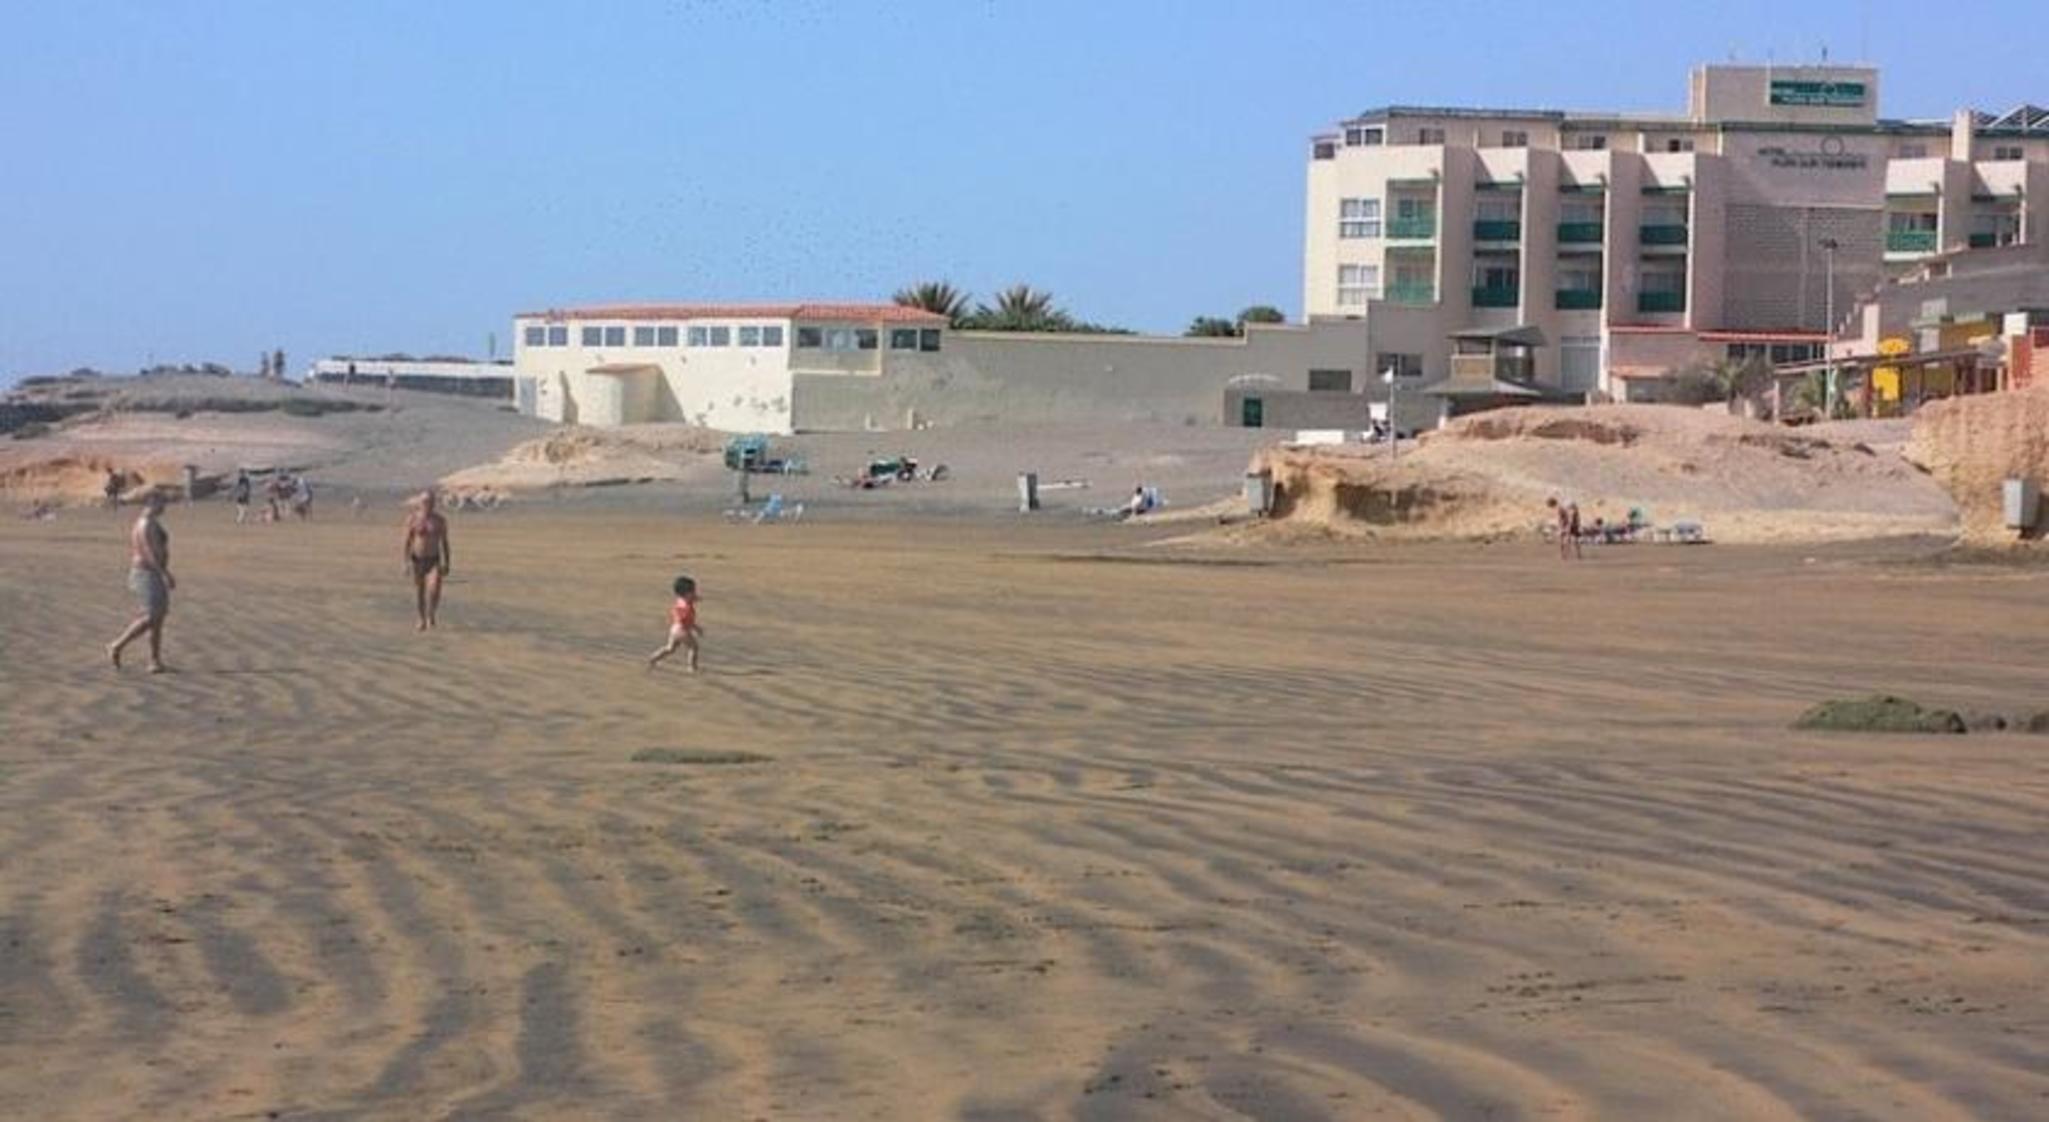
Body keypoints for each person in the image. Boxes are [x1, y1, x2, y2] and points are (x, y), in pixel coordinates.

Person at [107, 491, 174, 673]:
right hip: (146, 573)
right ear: (152, 503)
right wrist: (164, 573)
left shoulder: (152, 522)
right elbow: (147, 552)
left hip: (152, 573)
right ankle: (117, 645)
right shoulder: (144, 524)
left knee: (158, 618)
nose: (164, 508)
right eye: (162, 503)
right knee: (150, 616)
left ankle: (154, 661)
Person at [401, 491, 451, 630]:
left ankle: (431, 614)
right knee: (420, 591)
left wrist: (447, 562)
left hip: (434, 559)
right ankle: (421, 618)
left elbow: (445, 542)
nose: (428, 504)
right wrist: (405, 562)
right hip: (417, 559)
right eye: (425, 502)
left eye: (431, 502)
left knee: (434, 588)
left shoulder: (440, 520)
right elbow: (407, 541)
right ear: (420, 503)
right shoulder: (413, 519)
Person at [647, 575, 703, 674]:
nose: (695, 593)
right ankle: (692, 668)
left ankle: (653, 658)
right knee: (694, 647)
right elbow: (686, 620)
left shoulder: (681, 600)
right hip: (683, 630)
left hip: (674, 629)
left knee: (670, 648)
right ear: (687, 594)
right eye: (693, 591)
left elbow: (686, 604)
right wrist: (696, 628)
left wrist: (695, 599)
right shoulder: (686, 606)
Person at [1547, 497, 1583, 561]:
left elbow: (1567, 516)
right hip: (1571, 523)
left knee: (1566, 539)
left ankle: (1564, 555)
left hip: (1570, 523)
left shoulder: (1561, 507)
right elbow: (1563, 518)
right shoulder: (1563, 506)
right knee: (1572, 539)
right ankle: (1576, 554)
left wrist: (1567, 526)